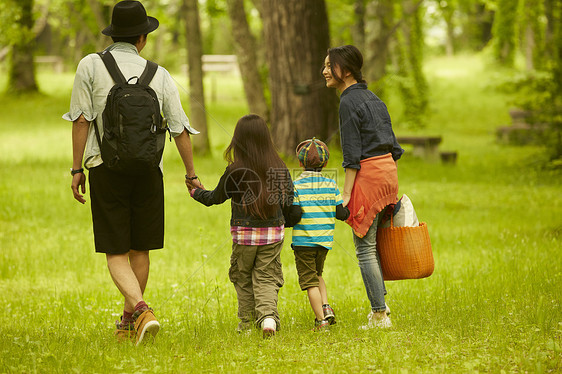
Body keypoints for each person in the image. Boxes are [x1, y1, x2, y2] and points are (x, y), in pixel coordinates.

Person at [64, 0, 203, 345]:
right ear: (142, 37)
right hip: (147, 170)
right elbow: (179, 128)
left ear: (113, 35)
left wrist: (76, 167)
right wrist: (191, 174)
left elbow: (81, 119)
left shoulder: (90, 65)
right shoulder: (159, 74)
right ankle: (130, 321)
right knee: (140, 248)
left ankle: (139, 310)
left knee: (116, 250)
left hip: (105, 170)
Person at [187, 114, 295, 338]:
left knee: (243, 277)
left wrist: (195, 191)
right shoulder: (278, 167)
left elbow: (214, 198)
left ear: (237, 140)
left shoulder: (235, 171)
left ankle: (246, 324)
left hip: (244, 237)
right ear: (266, 138)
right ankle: (267, 319)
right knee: (266, 276)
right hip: (272, 234)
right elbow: (289, 200)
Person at [322, 45, 404, 329]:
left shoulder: (347, 101)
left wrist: (345, 193)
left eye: (329, 65)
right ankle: (381, 308)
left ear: (343, 70)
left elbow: (352, 155)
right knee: (373, 245)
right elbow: (394, 147)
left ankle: (379, 314)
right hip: (388, 174)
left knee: (365, 248)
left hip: (368, 175)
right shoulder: (374, 98)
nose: (324, 71)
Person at [291, 138, 349, 331]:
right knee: (317, 274)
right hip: (324, 241)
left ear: (300, 163)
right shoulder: (331, 184)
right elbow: (341, 213)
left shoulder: (296, 185)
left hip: (303, 242)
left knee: (309, 281)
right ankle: (326, 307)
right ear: (325, 164)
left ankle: (320, 321)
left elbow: (296, 213)